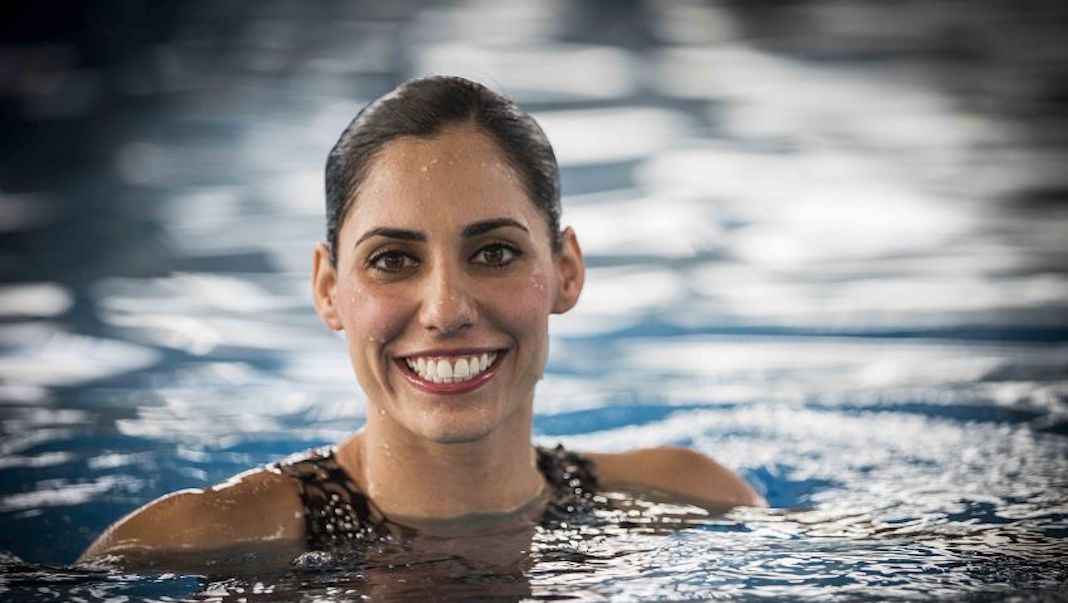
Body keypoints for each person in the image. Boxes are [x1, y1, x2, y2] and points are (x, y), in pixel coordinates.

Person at [80, 76, 764, 563]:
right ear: (328, 289)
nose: (445, 312)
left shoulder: (685, 500)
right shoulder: (188, 543)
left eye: (494, 253)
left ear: (567, 272)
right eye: (393, 260)